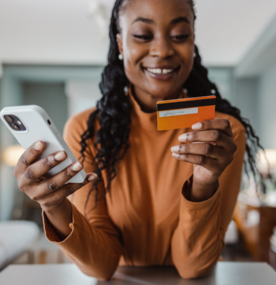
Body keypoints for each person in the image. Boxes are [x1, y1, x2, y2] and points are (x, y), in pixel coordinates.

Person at [14, 0, 261, 280]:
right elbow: (102, 265)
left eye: (180, 35)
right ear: (120, 44)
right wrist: (53, 205)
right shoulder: (85, 130)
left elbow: (193, 266)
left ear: (193, 42)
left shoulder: (222, 134)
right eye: (143, 36)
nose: (163, 50)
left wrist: (204, 183)